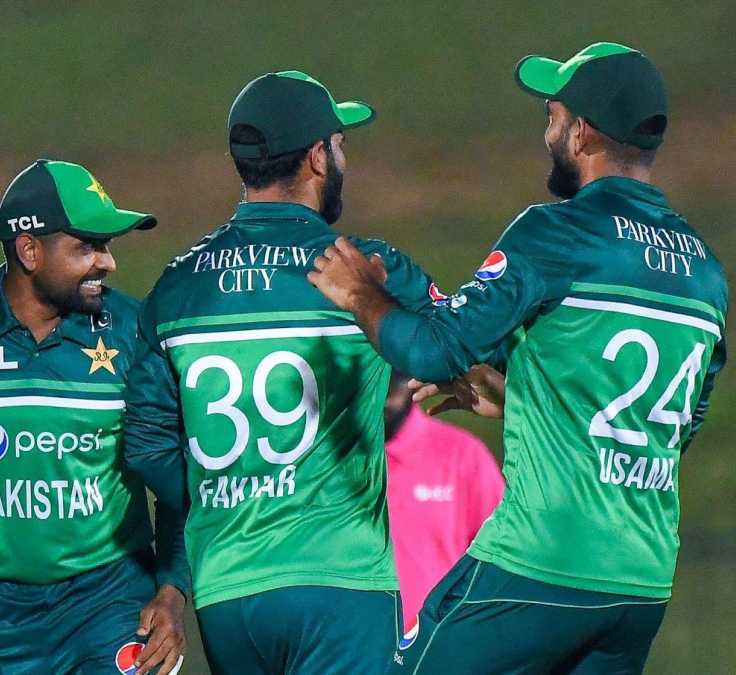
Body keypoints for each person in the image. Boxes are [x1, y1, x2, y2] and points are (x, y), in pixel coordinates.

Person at [308, 42, 727, 674]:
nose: (547, 134)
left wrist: (361, 294)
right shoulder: (705, 271)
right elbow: (672, 427)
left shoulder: (556, 233)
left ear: (582, 132)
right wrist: (528, 402)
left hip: (543, 561)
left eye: (553, 117)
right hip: (640, 583)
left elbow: (434, 349)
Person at [123, 70, 438, 675]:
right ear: (318, 157)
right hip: (342, 582)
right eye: (340, 145)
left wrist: (227, 493)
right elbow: (457, 342)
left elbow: (146, 447)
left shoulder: (176, 287)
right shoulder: (365, 270)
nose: (343, 159)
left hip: (228, 595)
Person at [0, 159, 188, 675]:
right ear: (29, 251)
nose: (108, 263)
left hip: (109, 600)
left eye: (106, 246)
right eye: (87, 247)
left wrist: (172, 590)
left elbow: (177, 472)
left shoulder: (135, 331)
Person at [383, 369, 504, 633]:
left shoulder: (462, 454)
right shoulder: (321, 456)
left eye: (391, 382)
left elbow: (498, 562)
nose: (382, 394)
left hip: (436, 640)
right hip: (341, 641)